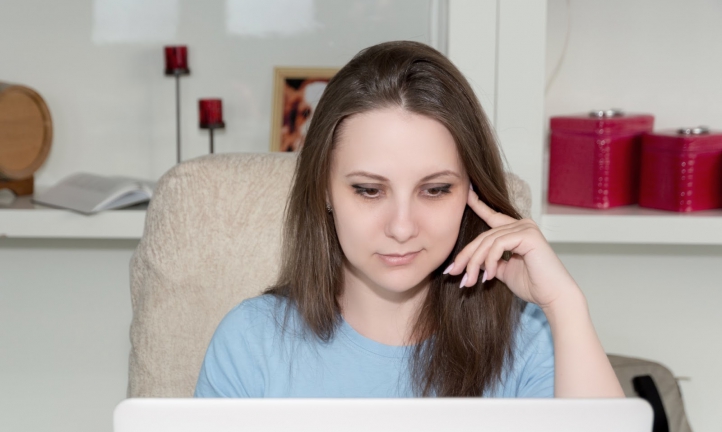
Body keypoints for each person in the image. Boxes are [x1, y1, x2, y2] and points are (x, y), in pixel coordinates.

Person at [194, 41, 624, 398]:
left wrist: (565, 306)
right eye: (369, 190)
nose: (401, 228)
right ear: (324, 189)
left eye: (435, 190)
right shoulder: (250, 342)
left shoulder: (530, 341)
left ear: (470, 192)